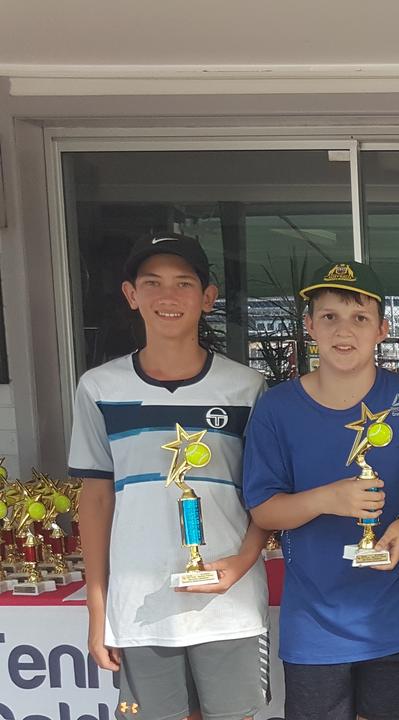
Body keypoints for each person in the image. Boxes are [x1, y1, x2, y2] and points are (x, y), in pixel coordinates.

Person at [69, 233, 270, 720]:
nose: (167, 296)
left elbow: (266, 497)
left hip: (230, 606)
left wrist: (241, 564)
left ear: (207, 298)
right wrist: (98, 611)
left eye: (183, 283)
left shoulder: (248, 387)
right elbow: (94, 502)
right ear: (130, 295)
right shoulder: (100, 388)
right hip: (141, 609)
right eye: (152, 283)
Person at [243, 261, 399, 720]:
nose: (343, 330)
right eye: (329, 316)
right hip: (315, 631)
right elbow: (264, 511)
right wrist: (326, 500)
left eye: (359, 317)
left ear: (382, 329)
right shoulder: (277, 409)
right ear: (310, 326)